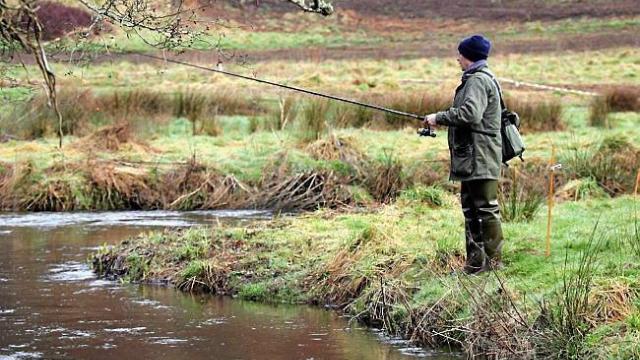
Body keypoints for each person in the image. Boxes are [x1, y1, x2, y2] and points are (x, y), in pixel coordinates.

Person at [423, 34, 504, 274]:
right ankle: (475, 264)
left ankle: (493, 266)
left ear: (468, 56)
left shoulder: (478, 80)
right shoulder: (477, 78)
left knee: (486, 208)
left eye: (460, 54)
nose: (457, 58)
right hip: (473, 157)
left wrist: (439, 117)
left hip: (481, 155)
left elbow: (470, 114)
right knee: (471, 210)